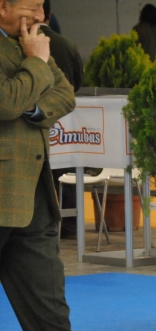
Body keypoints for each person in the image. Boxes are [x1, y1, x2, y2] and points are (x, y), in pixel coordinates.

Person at [0, 1, 131, 331]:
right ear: (3, 5)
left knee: (48, 304)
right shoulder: (36, 50)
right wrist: (36, 66)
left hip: (34, 195)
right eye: (32, 6)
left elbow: (66, 94)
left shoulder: (35, 44)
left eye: (42, 6)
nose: (41, 16)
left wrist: (32, 104)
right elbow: (4, 101)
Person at [41, 0, 84, 239]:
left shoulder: (17, 46)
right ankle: (69, 226)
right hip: (67, 122)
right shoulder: (67, 45)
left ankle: (43, 226)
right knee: (68, 174)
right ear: (50, 15)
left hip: (34, 122)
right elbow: (78, 82)